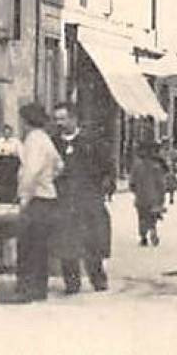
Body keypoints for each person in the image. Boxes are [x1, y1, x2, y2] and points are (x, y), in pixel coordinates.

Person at [52, 103, 112, 293]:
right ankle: (71, 283)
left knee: (91, 241)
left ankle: (98, 279)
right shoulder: (54, 143)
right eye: (56, 119)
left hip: (88, 199)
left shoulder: (91, 141)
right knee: (66, 242)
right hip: (63, 200)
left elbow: (107, 167)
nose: (59, 123)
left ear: (73, 119)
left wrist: (104, 187)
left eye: (62, 118)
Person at [14, 102, 62, 303]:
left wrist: (24, 196)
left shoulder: (33, 140)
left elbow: (31, 171)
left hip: (37, 200)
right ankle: (38, 290)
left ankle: (27, 291)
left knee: (28, 247)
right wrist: (48, 178)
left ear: (26, 121)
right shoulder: (46, 139)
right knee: (40, 248)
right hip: (48, 198)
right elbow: (60, 164)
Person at [129, 143, 167, 247]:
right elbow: (161, 183)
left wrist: (135, 190)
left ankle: (143, 236)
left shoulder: (137, 166)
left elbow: (132, 182)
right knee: (152, 216)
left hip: (141, 196)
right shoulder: (157, 167)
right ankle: (153, 230)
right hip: (154, 197)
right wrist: (162, 196)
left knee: (142, 217)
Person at [0, 124, 22, 204]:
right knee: (1, 183)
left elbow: (21, 153)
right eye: (5, 132)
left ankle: (12, 198)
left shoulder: (16, 142)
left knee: (12, 182)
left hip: (12, 164)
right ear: (2, 133)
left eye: (9, 132)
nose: (7, 134)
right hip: (1, 164)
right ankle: (1, 198)